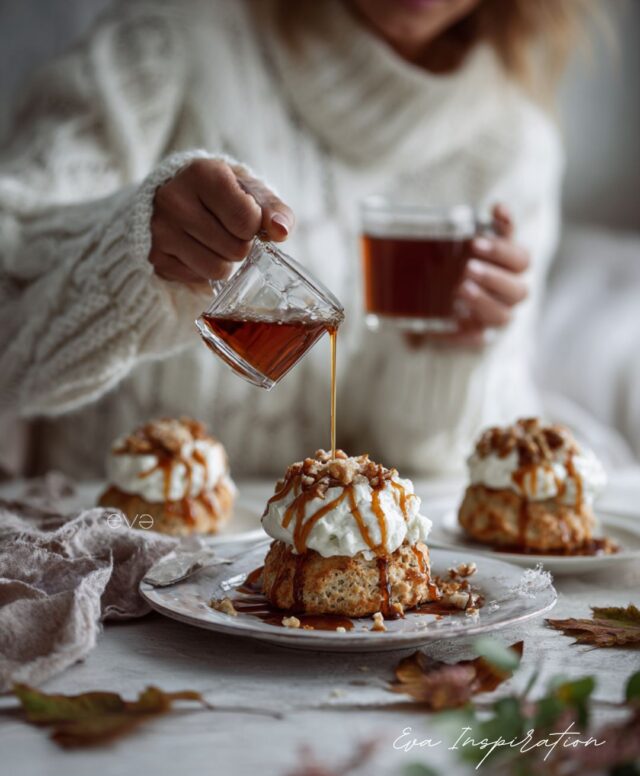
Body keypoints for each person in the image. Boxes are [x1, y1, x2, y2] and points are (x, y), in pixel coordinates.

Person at [0, 0, 589, 478]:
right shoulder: (168, 40)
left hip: (321, 578)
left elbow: (435, 473)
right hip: (112, 546)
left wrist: (450, 355)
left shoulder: (515, 146)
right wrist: (125, 249)